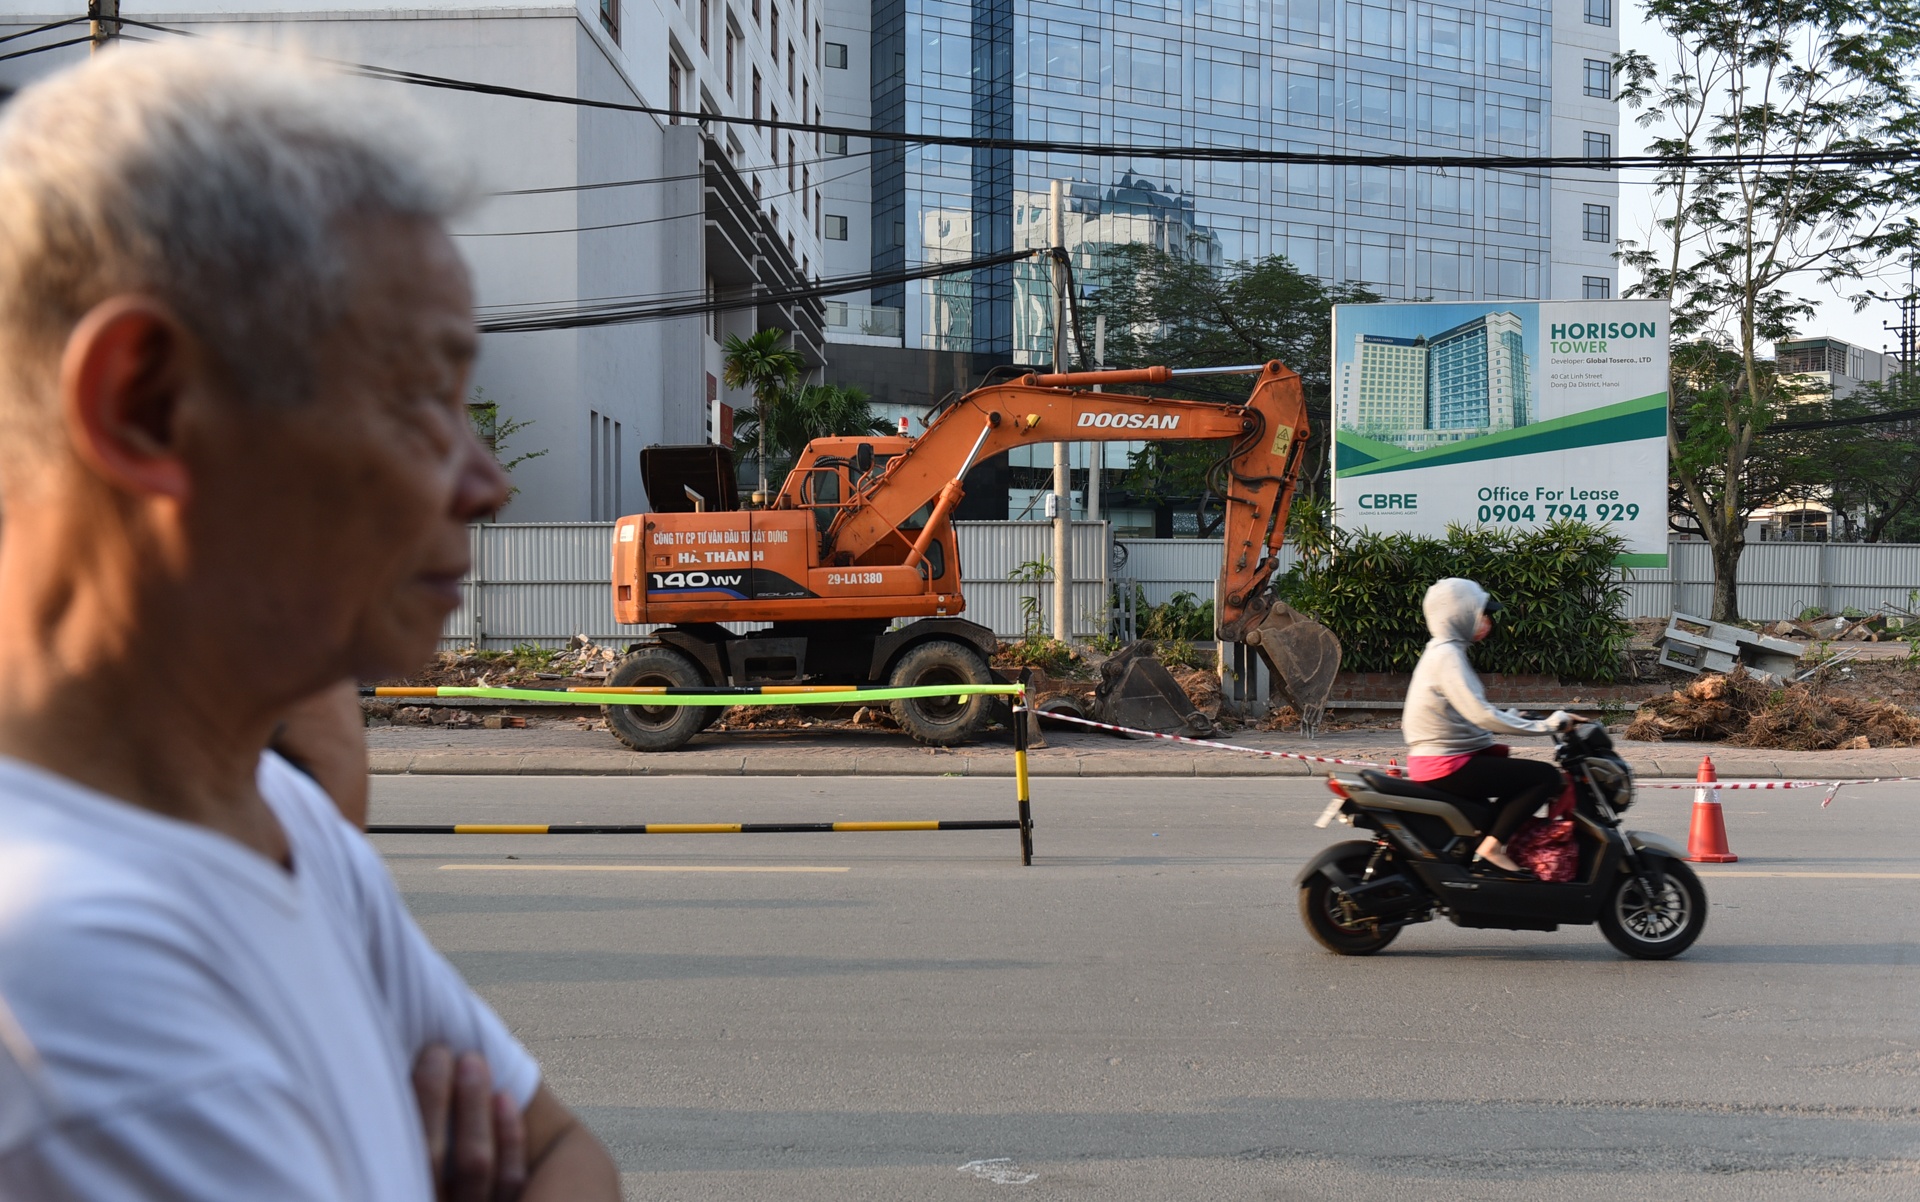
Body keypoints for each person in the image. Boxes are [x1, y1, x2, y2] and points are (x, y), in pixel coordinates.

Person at [0, 44, 620, 1200]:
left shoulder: (283, 817)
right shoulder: (68, 977)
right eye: (423, 396)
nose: (486, 480)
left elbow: (563, 1154)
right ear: (147, 404)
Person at [1402, 578, 1576, 876]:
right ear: (1458, 613)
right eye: (1480, 613)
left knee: (1516, 781)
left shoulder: (1445, 651)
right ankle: (1492, 847)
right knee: (1544, 777)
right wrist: (1550, 725)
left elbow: (1468, 710)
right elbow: (1481, 716)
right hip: (1447, 763)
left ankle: (1485, 846)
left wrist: (1516, 715)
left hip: (1444, 758)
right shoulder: (1447, 656)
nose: (1486, 621)